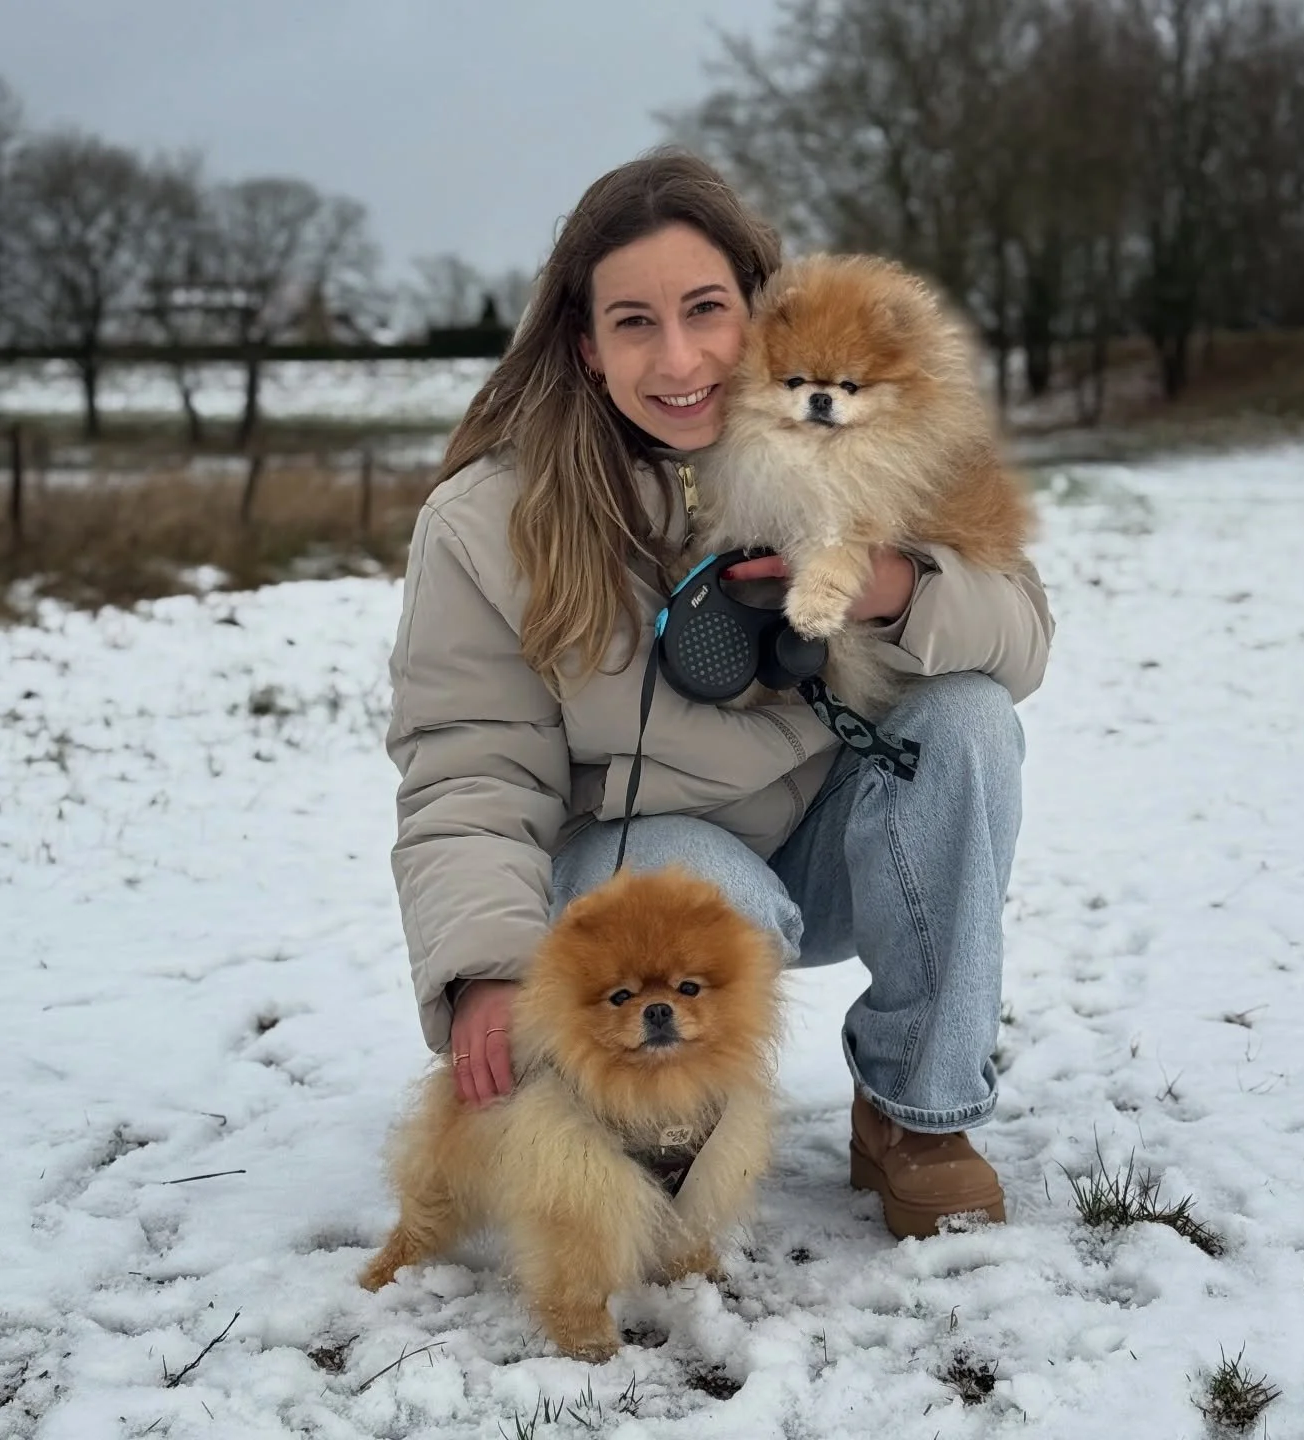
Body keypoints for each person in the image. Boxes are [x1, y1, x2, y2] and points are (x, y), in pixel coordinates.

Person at [385, 149, 1054, 1239]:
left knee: (969, 719)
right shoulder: (486, 523)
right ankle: (656, 1127)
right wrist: (485, 973)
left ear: (762, 310)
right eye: (634, 323)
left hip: (830, 847)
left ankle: (916, 1117)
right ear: (588, 347)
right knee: (694, 878)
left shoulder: (870, 433)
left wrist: (892, 588)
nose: (681, 357)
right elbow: (469, 767)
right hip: (643, 873)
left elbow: (1020, 638)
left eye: (706, 309)